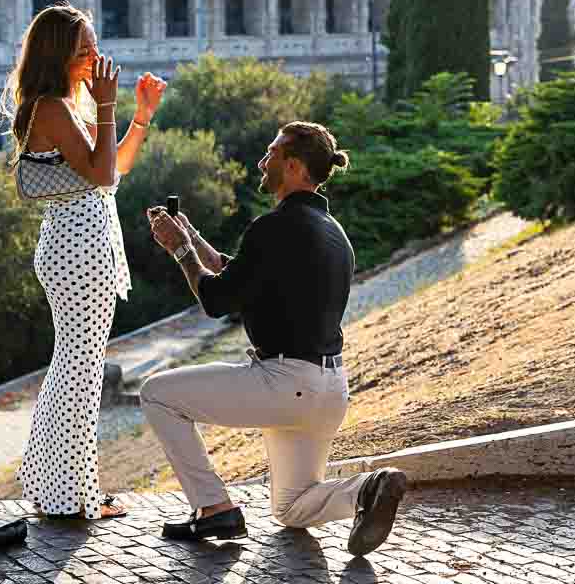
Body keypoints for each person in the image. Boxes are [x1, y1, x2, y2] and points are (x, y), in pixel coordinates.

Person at [142, 121, 407, 555]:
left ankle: (212, 508)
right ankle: (367, 489)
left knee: (157, 394)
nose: (262, 162)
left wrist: (179, 250)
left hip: (284, 383)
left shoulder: (273, 227)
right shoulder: (333, 233)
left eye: (271, 154)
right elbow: (242, 274)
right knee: (291, 509)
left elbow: (215, 298)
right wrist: (191, 236)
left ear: (295, 165)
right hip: (330, 390)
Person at [2, 2, 166, 520]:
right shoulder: (51, 107)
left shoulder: (63, 106)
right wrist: (107, 105)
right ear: (58, 57)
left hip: (80, 247)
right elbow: (101, 176)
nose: (95, 55)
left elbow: (112, 166)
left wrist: (138, 116)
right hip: (77, 250)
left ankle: (59, 489)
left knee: (74, 369)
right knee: (80, 372)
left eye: (94, 43)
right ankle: (70, 497)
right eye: (83, 49)